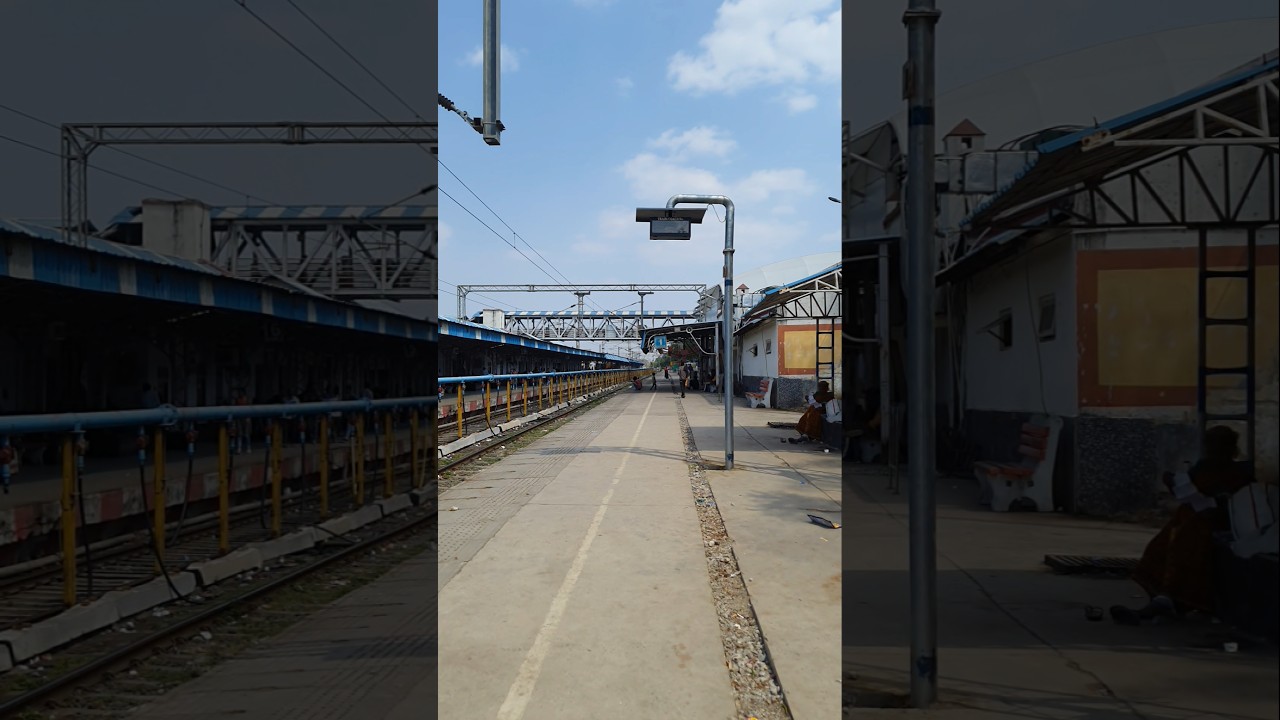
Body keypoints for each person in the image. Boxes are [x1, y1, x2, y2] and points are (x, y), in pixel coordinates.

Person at [1111, 426, 1256, 625]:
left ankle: (1169, 600)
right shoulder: (1204, 467)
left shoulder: (1238, 474)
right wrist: (1174, 481)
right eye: (1210, 446)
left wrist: (1218, 501)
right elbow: (1187, 488)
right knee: (1160, 547)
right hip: (1188, 518)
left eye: (1218, 446)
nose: (1213, 450)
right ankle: (1161, 600)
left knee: (1187, 547)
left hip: (1214, 523)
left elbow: (1244, 502)